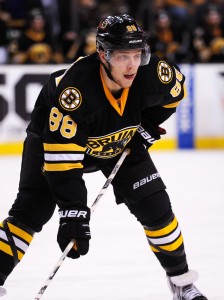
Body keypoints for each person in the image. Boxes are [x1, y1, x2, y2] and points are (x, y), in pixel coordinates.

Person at [0, 14, 207, 299]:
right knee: (30, 211)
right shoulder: (75, 92)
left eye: (137, 54)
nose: (132, 64)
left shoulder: (151, 72)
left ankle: (182, 283)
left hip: (119, 141)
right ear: (103, 54)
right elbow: (64, 162)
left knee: (157, 208)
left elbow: (176, 92)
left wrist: (147, 127)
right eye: (123, 56)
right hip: (53, 141)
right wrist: (73, 211)